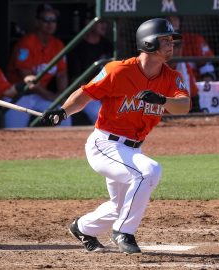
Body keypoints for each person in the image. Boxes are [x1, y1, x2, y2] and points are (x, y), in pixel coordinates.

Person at [40, 18, 190, 254]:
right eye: (165, 40)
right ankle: (124, 231)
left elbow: (184, 105)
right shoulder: (118, 70)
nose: (172, 44)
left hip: (132, 149)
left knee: (120, 205)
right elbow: (85, 93)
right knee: (149, 171)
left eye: (172, 40)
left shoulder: (171, 77)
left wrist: (163, 100)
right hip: (104, 144)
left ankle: (83, 228)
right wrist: (63, 112)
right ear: (149, 43)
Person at [5, 3, 71, 128]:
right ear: (37, 22)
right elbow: (28, 80)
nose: (50, 24)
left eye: (53, 20)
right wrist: (51, 96)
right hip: (18, 96)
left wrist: (62, 97)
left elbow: (62, 74)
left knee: (64, 116)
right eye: (46, 20)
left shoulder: (58, 45)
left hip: (40, 96)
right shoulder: (26, 43)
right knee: (13, 131)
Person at [68, 16, 113, 125]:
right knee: (100, 115)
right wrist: (96, 93)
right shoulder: (77, 46)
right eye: (100, 22)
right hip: (86, 91)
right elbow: (76, 79)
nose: (104, 26)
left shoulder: (107, 45)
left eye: (104, 22)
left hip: (105, 91)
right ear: (89, 23)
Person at [167, 16, 216, 82]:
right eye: (168, 19)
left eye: (179, 45)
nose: (177, 49)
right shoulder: (157, 43)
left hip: (195, 83)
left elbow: (207, 67)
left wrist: (207, 78)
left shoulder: (194, 40)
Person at [169, 40, 202, 112]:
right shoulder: (156, 67)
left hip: (180, 112)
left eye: (180, 47)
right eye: (174, 47)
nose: (177, 51)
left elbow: (194, 96)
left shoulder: (185, 67)